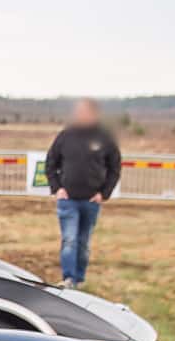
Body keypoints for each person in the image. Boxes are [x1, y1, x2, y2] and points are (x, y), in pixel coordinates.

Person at [43, 98, 122, 288]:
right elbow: (50, 163)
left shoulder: (104, 138)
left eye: (86, 111)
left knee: (83, 243)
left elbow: (115, 167)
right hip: (67, 200)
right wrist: (57, 188)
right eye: (80, 111)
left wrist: (104, 193)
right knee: (69, 240)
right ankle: (69, 279)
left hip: (91, 201)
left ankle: (79, 279)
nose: (82, 115)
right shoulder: (65, 136)